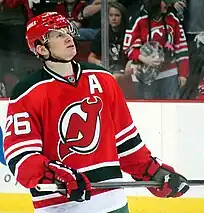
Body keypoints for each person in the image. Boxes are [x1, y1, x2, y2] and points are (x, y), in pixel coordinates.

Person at [3, 12, 189, 213]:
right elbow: (20, 156)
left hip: (113, 204)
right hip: (60, 206)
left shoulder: (102, 79)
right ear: (41, 48)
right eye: (57, 35)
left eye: (68, 31)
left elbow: (126, 141)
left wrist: (153, 172)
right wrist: (55, 175)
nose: (68, 38)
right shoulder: (28, 91)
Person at [123, 0, 189, 99]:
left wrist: (183, 73)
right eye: (165, 1)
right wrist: (144, 59)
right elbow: (128, 48)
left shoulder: (173, 19)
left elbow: (181, 48)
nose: (169, 4)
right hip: (144, 76)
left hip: (169, 74)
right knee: (147, 112)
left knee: (171, 110)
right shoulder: (138, 20)